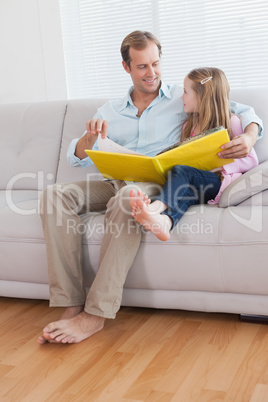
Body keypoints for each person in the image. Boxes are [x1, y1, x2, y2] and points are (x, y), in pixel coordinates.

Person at [38, 31, 262, 345]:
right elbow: (74, 157)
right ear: (126, 67)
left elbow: (242, 110)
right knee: (53, 195)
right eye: (142, 66)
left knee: (129, 198)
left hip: (154, 184)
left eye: (156, 63)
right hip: (114, 180)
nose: (152, 73)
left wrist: (250, 137)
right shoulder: (110, 110)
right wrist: (87, 141)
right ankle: (69, 302)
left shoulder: (181, 95)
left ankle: (95, 314)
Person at [129, 67, 259, 241]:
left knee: (182, 171)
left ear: (201, 96)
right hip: (198, 184)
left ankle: (156, 207)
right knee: (186, 193)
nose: (181, 97)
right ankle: (165, 222)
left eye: (185, 92)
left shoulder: (232, 122)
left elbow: (252, 161)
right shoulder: (188, 126)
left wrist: (220, 164)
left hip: (218, 182)